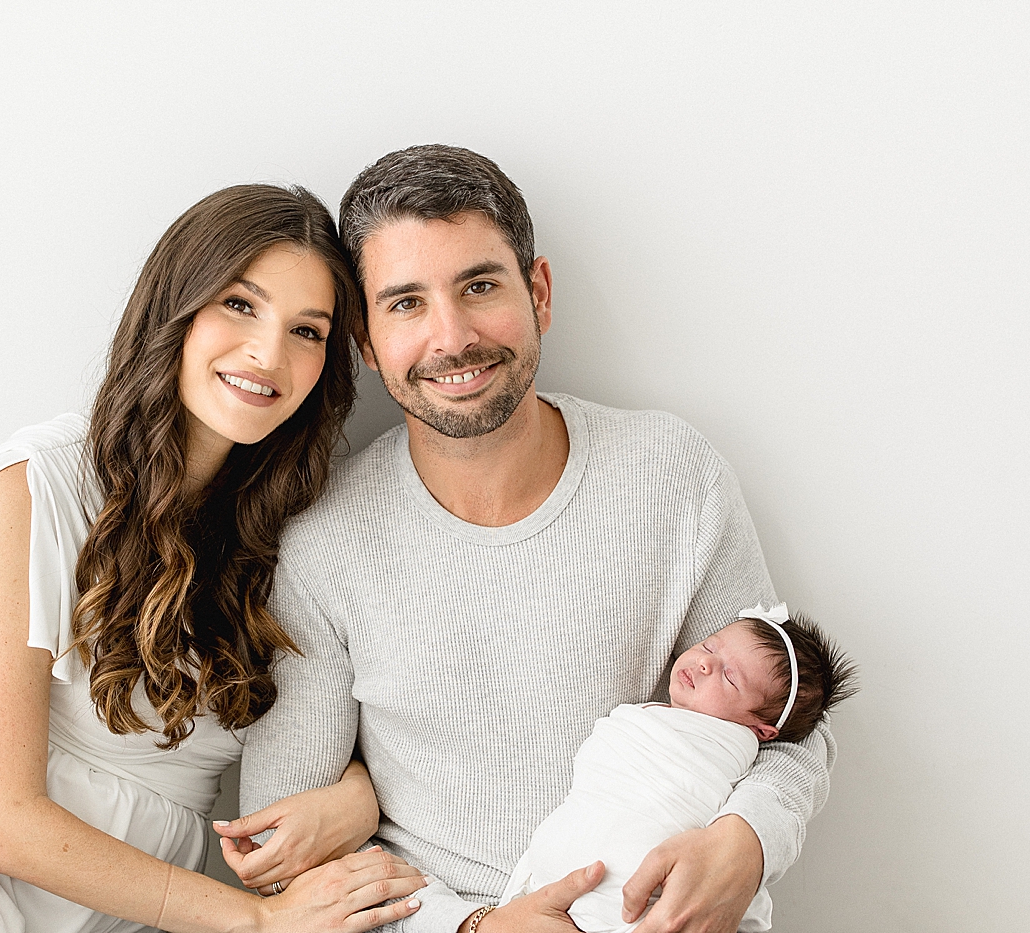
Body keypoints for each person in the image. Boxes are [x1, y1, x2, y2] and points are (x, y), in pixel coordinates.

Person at [0, 185, 428, 933]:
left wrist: (359, 793)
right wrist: (255, 921)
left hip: (121, 901)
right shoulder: (37, 484)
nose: (267, 353)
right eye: (240, 305)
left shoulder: (300, 537)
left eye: (307, 331)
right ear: (174, 308)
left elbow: (350, 717)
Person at [223, 145, 837, 933]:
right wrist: (474, 927)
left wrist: (747, 841)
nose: (453, 337)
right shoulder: (321, 544)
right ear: (367, 344)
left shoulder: (673, 474)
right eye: (406, 303)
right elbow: (290, 866)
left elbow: (787, 723)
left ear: (539, 291)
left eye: (479, 286)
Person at [501, 604, 859, 932]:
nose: (705, 664)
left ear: (761, 731)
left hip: (647, 897)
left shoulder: (724, 747)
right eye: (709, 646)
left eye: (730, 678)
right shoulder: (650, 720)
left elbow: (801, 755)